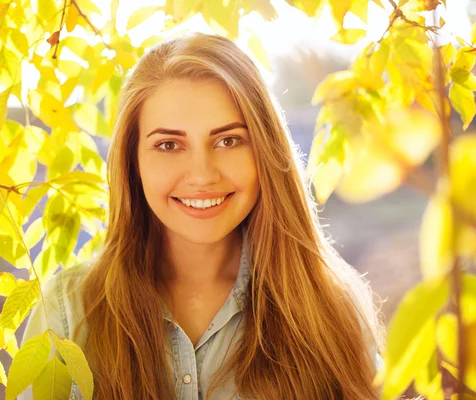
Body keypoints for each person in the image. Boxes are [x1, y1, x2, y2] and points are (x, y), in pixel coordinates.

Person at [20, 32, 386, 400]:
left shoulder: (330, 307)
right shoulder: (66, 312)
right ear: (133, 161)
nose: (202, 175)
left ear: (264, 149)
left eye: (228, 141)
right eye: (168, 145)